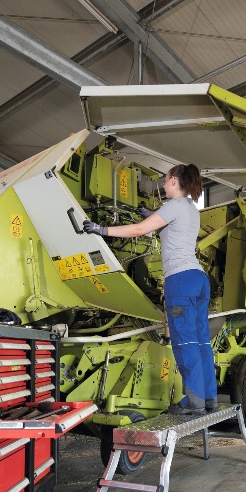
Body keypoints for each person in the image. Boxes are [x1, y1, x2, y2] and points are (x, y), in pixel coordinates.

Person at [83, 164, 217, 416]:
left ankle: (194, 401)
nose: (163, 185)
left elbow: (138, 230)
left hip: (181, 279)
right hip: (199, 279)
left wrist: (102, 230)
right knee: (200, 341)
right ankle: (209, 398)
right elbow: (171, 229)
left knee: (184, 340)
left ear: (174, 181)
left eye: (165, 180)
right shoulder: (190, 208)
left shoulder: (174, 206)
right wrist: (151, 213)